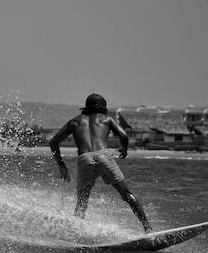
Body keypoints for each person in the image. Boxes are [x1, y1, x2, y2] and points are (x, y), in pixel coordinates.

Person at [49, 93, 153, 233]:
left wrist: (61, 164)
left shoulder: (75, 122)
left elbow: (53, 142)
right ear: (103, 107)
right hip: (105, 157)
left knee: (82, 201)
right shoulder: (106, 119)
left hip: (85, 159)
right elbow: (123, 135)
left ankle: (75, 233)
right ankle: (148, 229)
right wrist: (124, 150)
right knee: (127, 194)